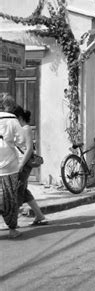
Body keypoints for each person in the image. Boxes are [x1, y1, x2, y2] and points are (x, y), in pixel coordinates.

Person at [13, 106, 48, 226]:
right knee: (23, 190)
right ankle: (40, 216)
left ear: (20, 118)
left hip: (24, 164)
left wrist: (21, 165)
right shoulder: (19, 128)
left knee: (17, 190)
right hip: (19, 163)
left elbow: (29, 149)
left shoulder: (26, 128)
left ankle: (14, 222)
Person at [0, 94, 23, 238]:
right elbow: (21, 141)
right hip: (9, 165)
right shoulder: (12, 120)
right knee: (10, 199)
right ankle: (12, 229)